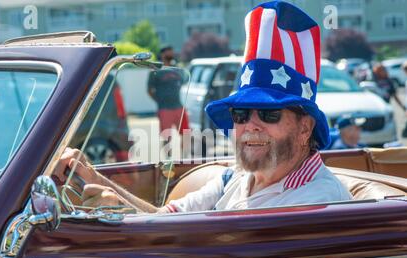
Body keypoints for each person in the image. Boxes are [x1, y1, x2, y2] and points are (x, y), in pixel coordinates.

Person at [54, 1, 353, 213]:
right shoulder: (235, 178)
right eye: (240, 113)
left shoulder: (318, 200)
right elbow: (165, 223)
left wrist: (122, 210)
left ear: (304, 128)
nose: (251, 123)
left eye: (269, 113)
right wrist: (93, 177)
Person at [147, 45, 190, 137]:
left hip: (179, 106)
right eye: (169, 51)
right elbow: (149, 90)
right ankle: (168, 151)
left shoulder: (177, 68)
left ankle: (184, 151)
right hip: (164, 109)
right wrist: (159, 100)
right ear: (162, 54)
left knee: (186, 134)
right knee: (167, 137)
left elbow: (185, 81)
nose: (172, 53)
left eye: (172, 51)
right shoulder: (156, 70)